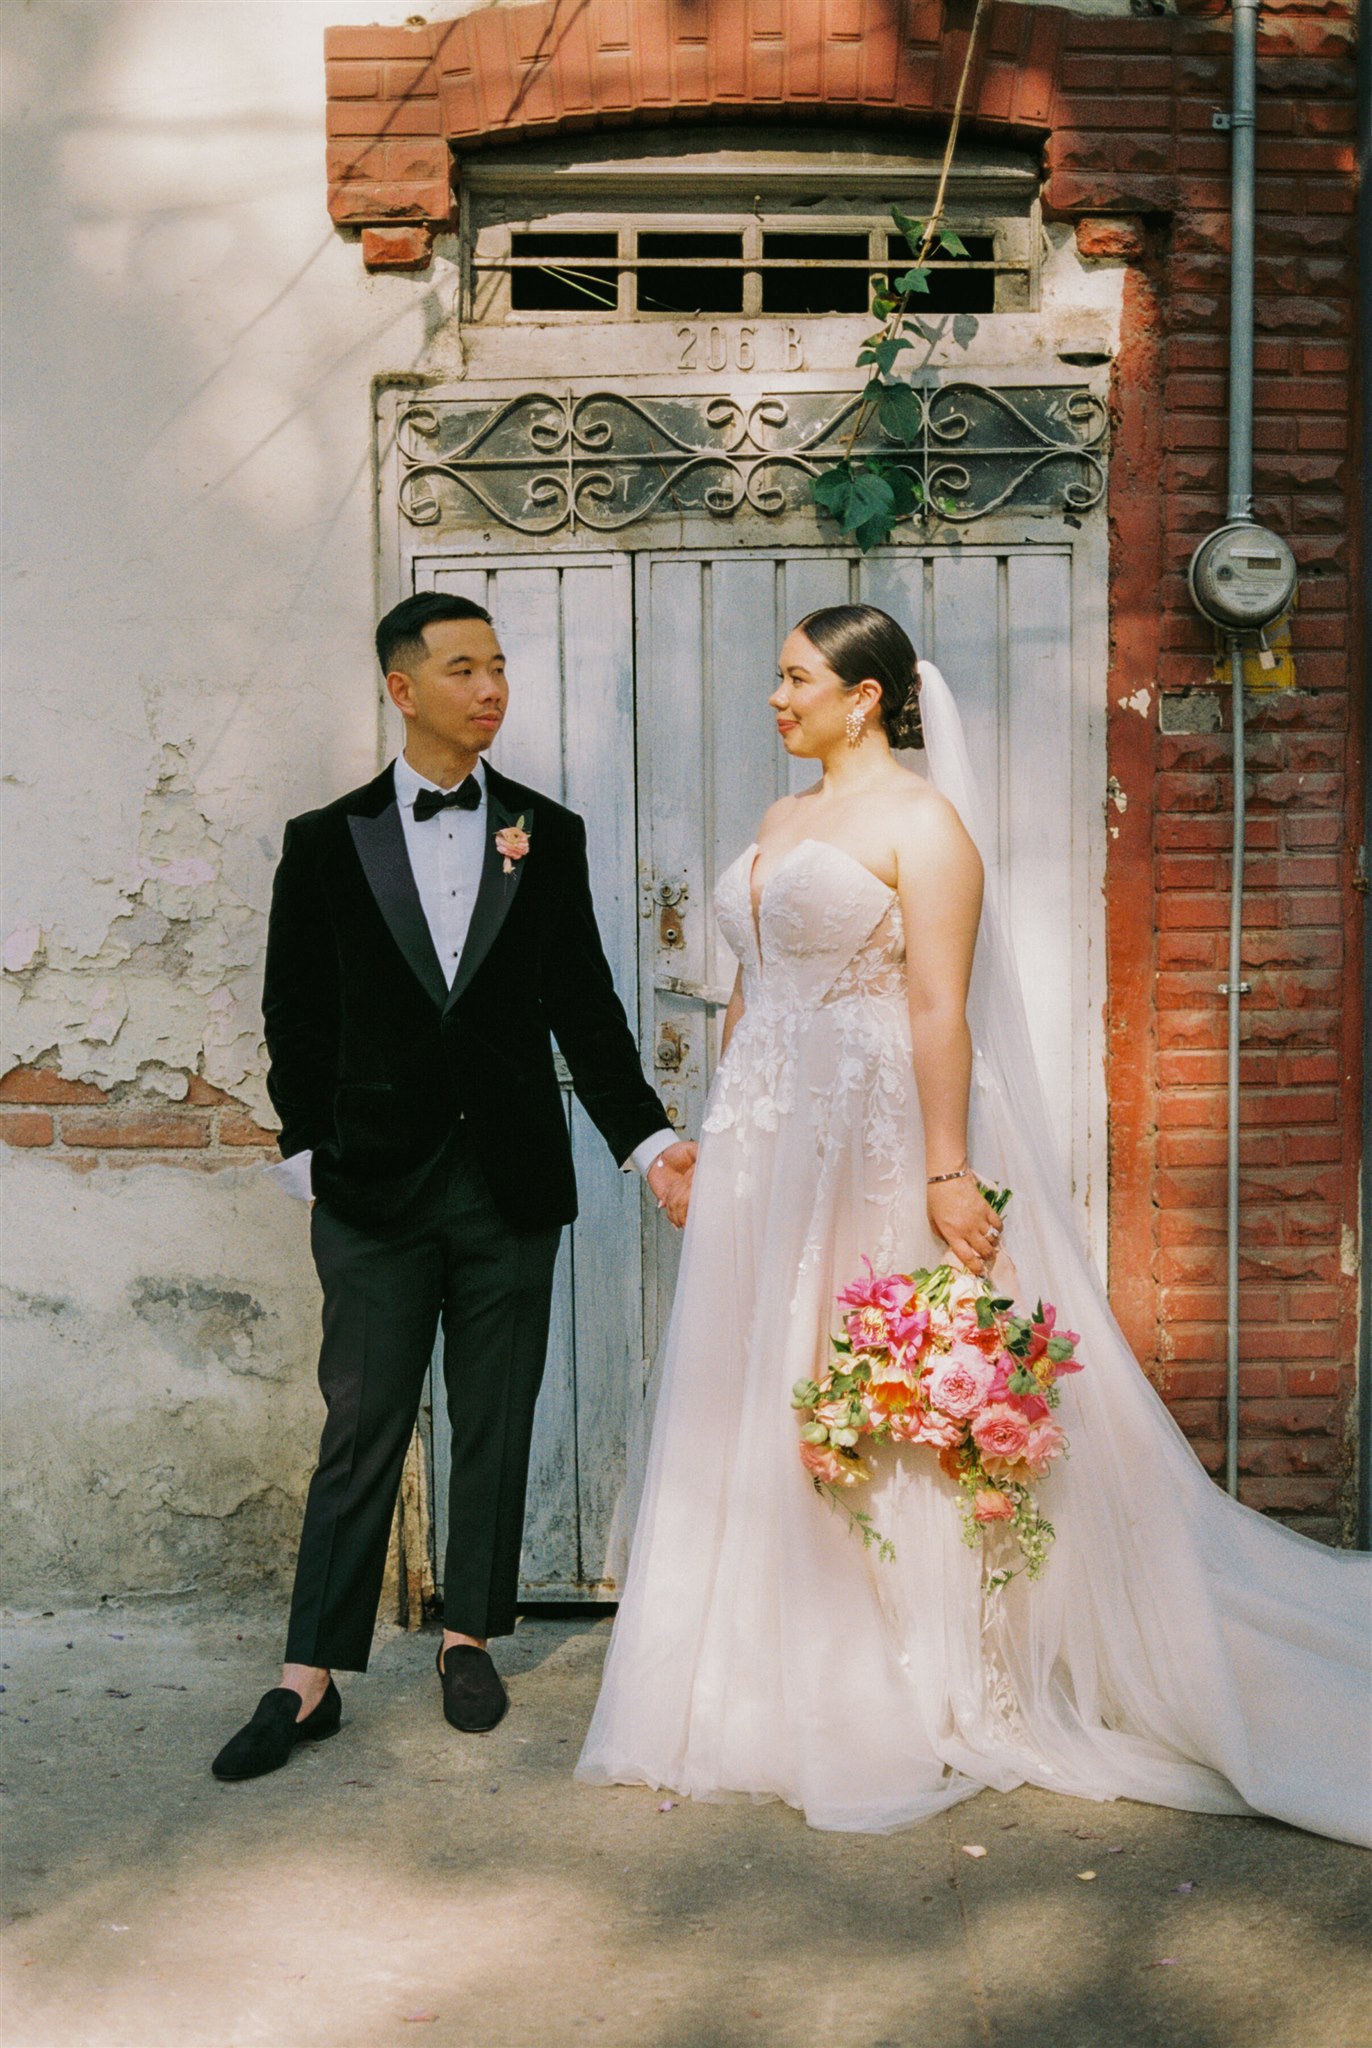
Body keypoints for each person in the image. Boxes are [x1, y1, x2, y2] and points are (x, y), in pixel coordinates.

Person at [577, 603, 1371, 1847]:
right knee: (755, 1376)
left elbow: (939, 1007)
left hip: (878, 1134)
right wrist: (720, 1141)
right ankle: (752, 1661)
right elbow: (751, 992)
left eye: (795, 679)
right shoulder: (782, 821)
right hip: (771, 1136)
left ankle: (911, 1661)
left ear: (867, 696)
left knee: (864, 1366)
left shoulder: (924, 826)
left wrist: (948, 1172)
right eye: (776, 677)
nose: (776, 699)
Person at [212, 593, 694, 1780]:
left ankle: (468, 1632)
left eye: (499, 666)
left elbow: (583, 1001)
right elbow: (295, 1014)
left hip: (508, 1180)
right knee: (362, 1421)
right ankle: (307, 1676)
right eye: (463, 667)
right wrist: (313, 1149)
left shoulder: (546, 830)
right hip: (372, 1186)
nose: (490, 688)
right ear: (401, 688)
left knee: (493, 1413)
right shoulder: (325, 840)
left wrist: (648, 1141)